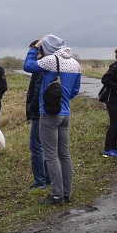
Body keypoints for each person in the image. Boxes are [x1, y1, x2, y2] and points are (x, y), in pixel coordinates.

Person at [23, 34, 81, 205]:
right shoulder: (75, 63)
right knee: (64, 155)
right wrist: (62, 99)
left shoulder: (50, 61)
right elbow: (75, 90)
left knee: (50, 155)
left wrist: (34, 48)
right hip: (65, 114)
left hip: (49, 114)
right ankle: (66, 193)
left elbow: (27, 66)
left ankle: (56, 195)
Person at [25, 41, 50, 190]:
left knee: (36, 146)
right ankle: (46, 178)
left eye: (33, 52)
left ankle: (40, 181)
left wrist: (32, 108)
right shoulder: (47, 66)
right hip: (44, 111)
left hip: (39, 112)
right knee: (45, 146)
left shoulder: (40, 67)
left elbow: (37, 90)